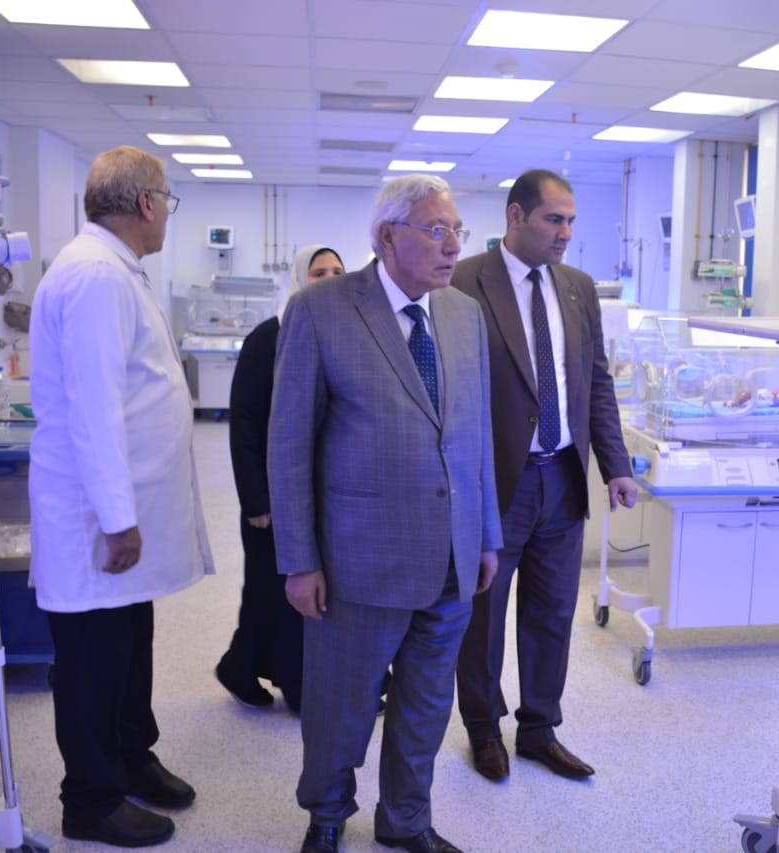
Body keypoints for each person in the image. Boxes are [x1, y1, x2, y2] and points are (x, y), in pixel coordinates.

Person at [268, 174, 501, 853]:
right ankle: (327, 814)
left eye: (457, 230)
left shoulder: (463, 314)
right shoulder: (321, 310)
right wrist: (299, 560)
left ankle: (406, 818)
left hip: (452, 553)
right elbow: (289, 445)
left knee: (427, 703)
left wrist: (486, 534)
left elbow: (476, 435)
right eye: (436, 230)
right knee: (342, 704)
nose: (452, 245)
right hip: (359, 557)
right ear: (387, 236)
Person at [29, 145, 214, 848]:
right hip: (95, 521)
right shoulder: (95, 276)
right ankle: (92, 799)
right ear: (144, 203)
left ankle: (133, 756)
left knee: (130, 645)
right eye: (167, 200)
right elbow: (95, 409)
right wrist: (117, 519)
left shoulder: (115, 269)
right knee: (93, 661)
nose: (167, 213)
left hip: (122, 514)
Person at [452, 168, 637, 782]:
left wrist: (615, 465)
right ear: (515, 217)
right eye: (553, 219)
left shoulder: (578, 288)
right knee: (484, 615)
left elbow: (597, 383)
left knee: (553, 612)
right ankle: (483, 727)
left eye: (571, 221)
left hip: (561, 476)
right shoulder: (463, 283)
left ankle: (538, 728)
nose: (565, 233)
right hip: (495, 483)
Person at [215, 244, 344, 712]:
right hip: (272, 496)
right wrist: (256, 500)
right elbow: (245, 424)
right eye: (318, 272)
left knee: (313, 591)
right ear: (299, 278)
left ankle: (254, 669)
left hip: (324, 494)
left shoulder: (346, 333)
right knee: (271, 592)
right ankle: (290, 682)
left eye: (337, 271)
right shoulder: (269, 337)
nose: (329, 280)